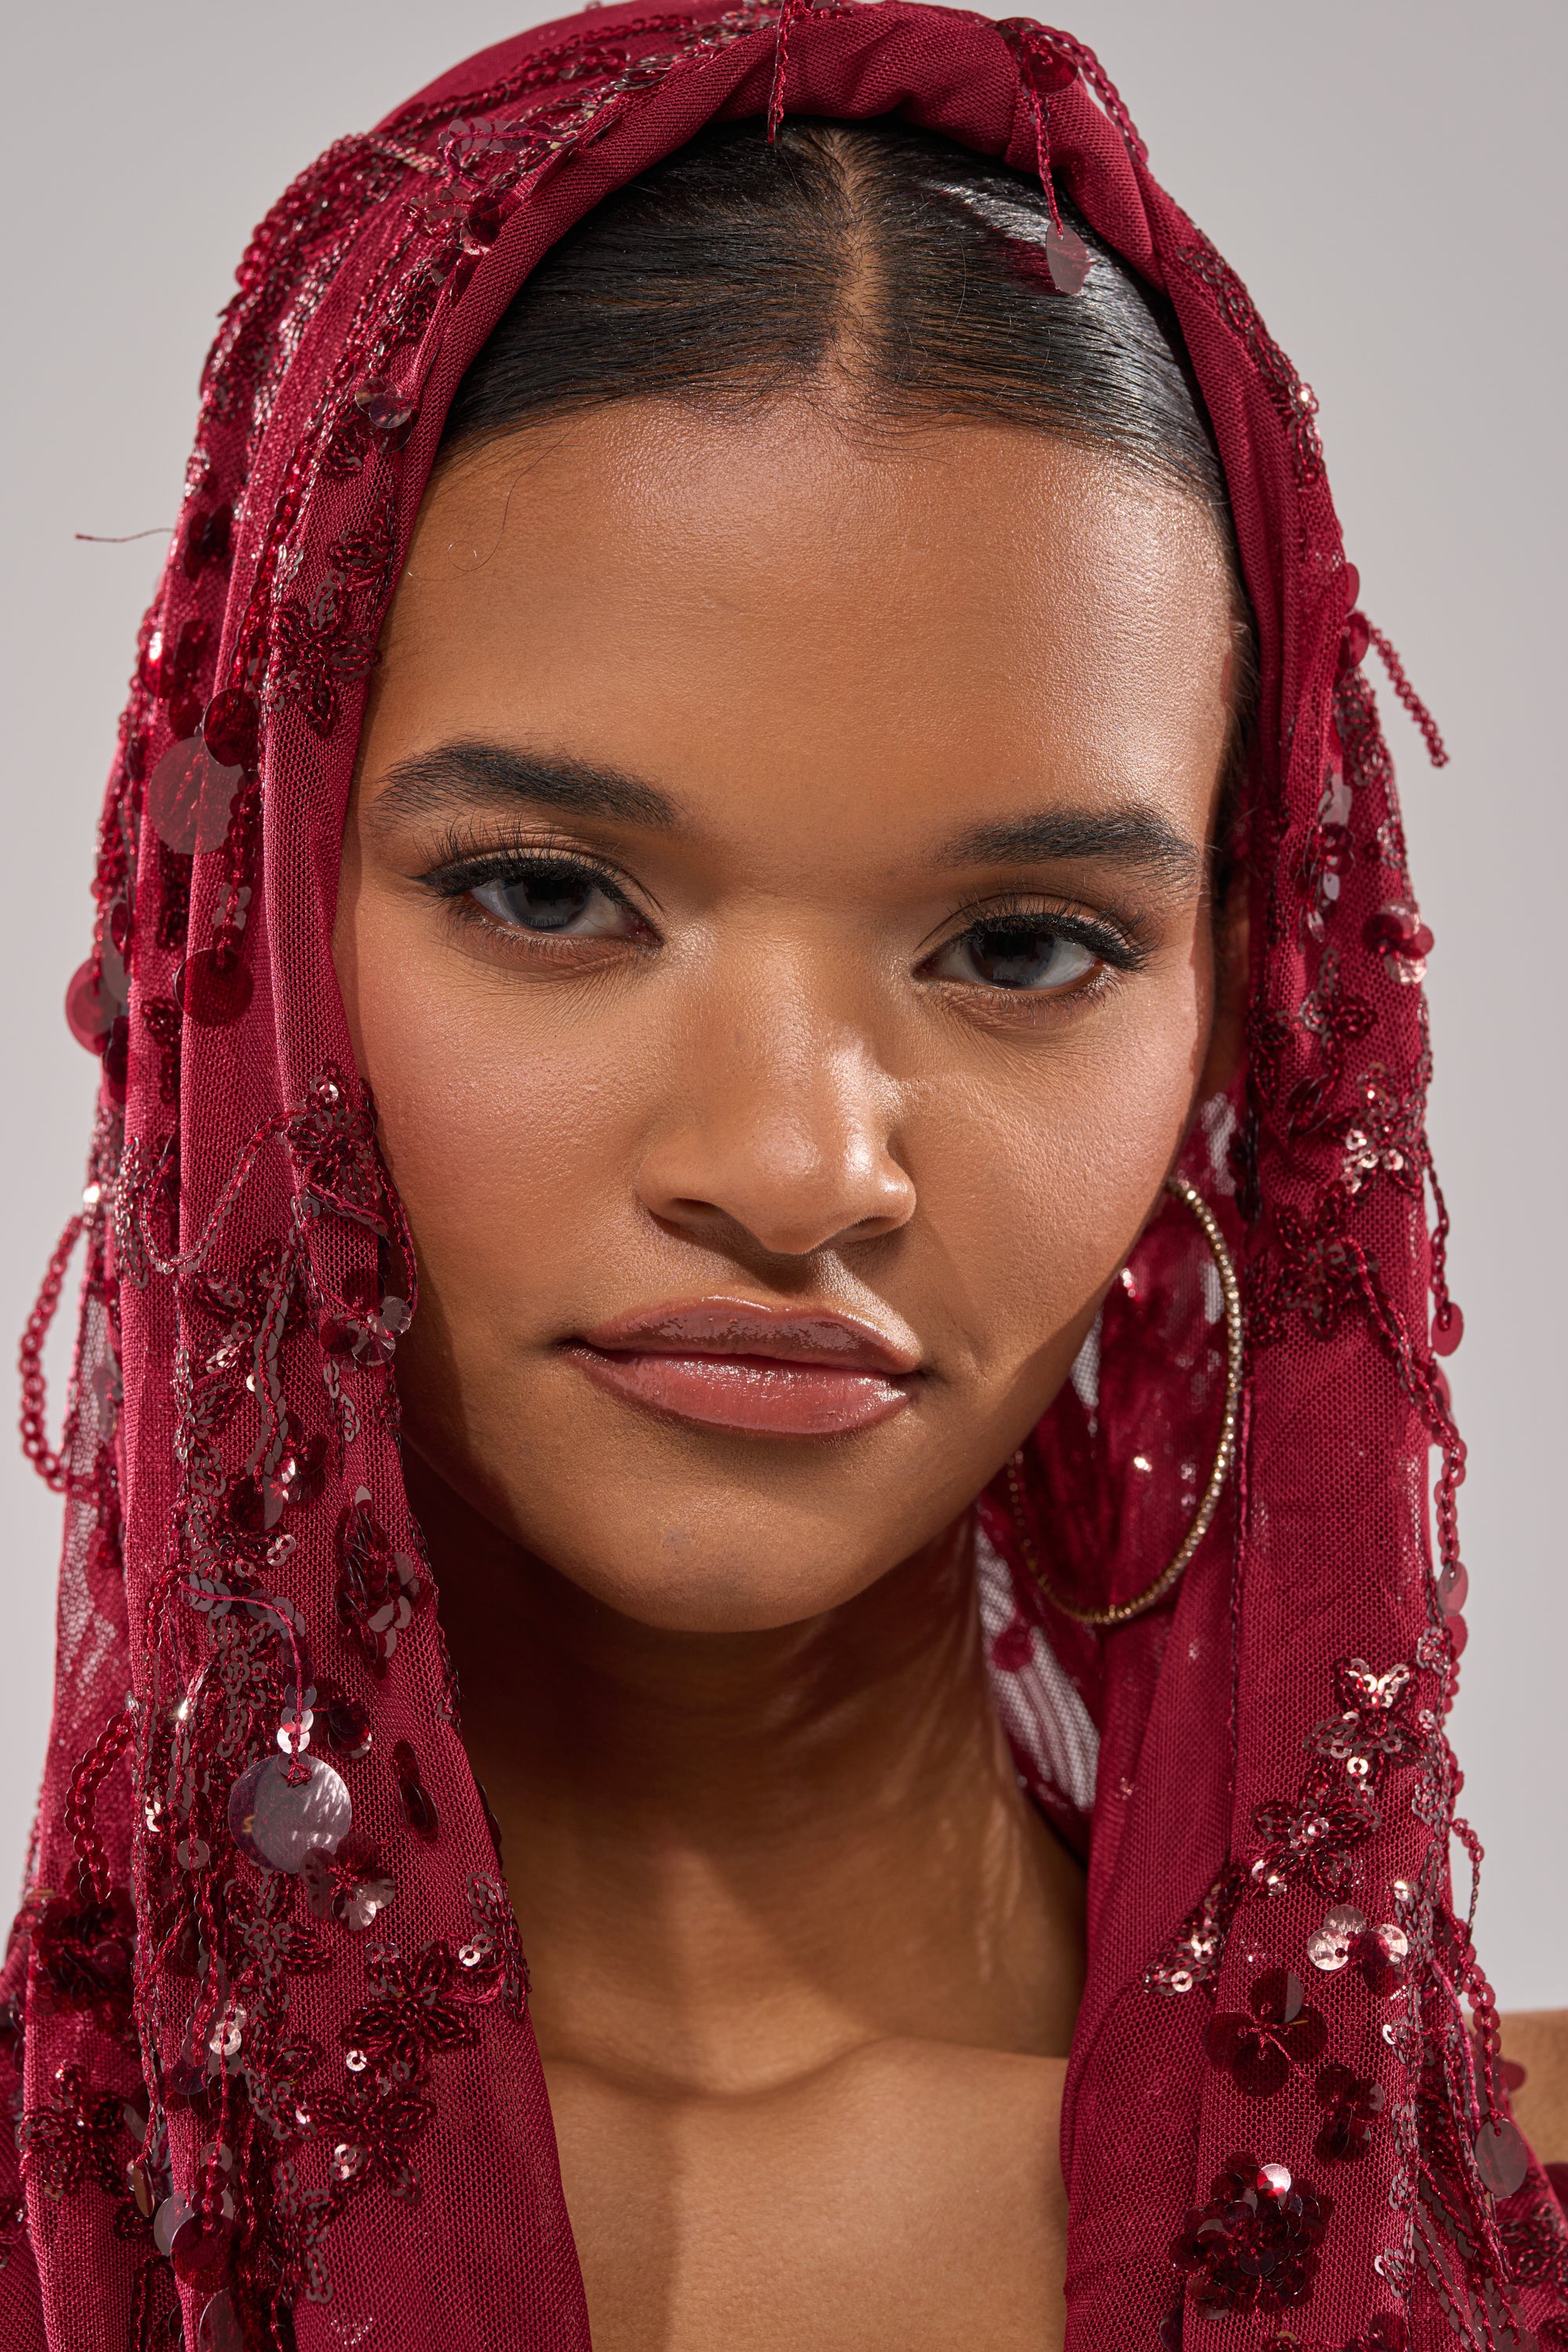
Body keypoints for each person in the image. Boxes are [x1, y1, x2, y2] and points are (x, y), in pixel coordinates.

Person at [3, 6, 1563, 2348]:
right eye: (548, 894)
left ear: (1244, 1023)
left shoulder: (1500, 2203)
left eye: (1025, 945)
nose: (796, 1167)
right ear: (251, 961)